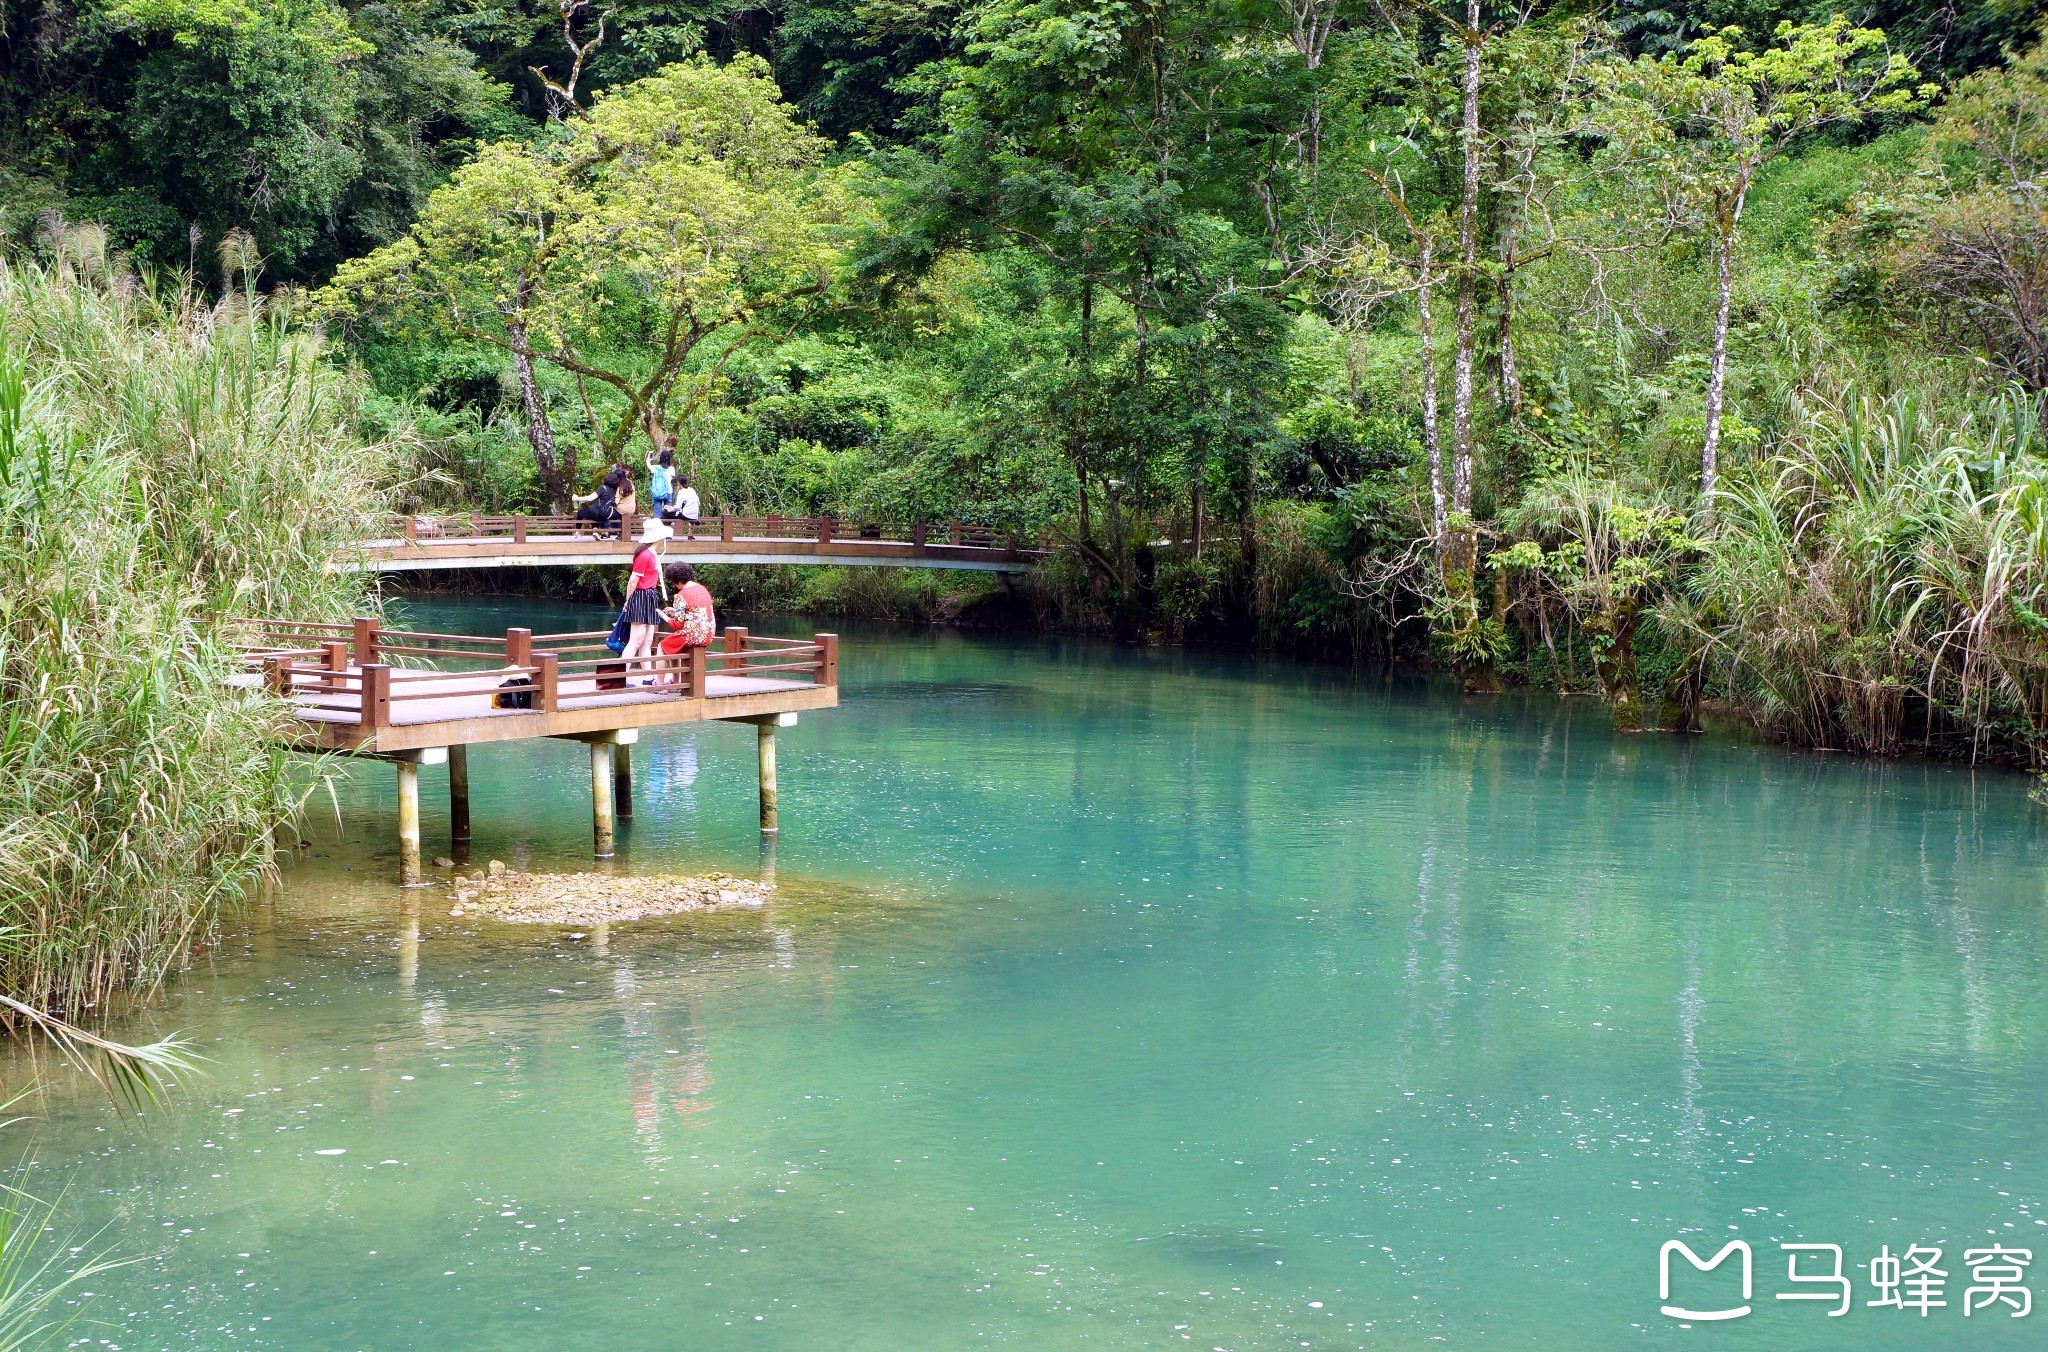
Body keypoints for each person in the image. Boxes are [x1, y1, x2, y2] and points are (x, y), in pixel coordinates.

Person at [620, 515, 670, 684]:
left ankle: (648, 677)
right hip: (641, 595)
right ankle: (621, 677)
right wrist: (628, 600)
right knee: (635, 641)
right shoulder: (645, 555)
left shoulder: (652, 554)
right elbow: (633, 580)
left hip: (649, 595)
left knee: (647, 641)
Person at [658, 562, 717, 675]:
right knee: (672, 645)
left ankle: (660, 685)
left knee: (663, 646)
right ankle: (675, 682)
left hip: (693, 635)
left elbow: (677, 625)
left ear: (677, 580)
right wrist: (675, 612)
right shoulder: (702, 589)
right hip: (708, 634)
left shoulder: (681, 595)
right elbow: (696, 612)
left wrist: (663, 616)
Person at [572, 466, 624, 536]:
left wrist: (577, 498)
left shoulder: (602, 488)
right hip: (606, 514)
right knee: (595, 515)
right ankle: (596, 530)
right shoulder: (616, 490)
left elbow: (590, 498)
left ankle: (577, 532)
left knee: (580, 513)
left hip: (597, 511)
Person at [646, 448, 676, 518]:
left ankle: (657, 525)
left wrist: (648, 458)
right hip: (668, 491)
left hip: (657, 491)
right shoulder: (671, 469)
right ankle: (668, 526)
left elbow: (648, 465)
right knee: (668, 511)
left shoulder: (655, 468)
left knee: (657, 511)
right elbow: (673, 477)